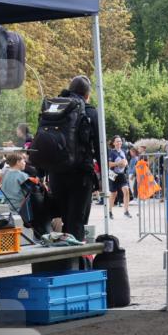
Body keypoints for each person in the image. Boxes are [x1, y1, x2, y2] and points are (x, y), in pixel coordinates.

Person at [47, 75, 102, 242]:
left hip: (56, 174)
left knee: (64, 218)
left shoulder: (54, 108)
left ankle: (64, 260)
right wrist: (102, 176)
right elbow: (99, 146)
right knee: (77, 221)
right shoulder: (90, 111)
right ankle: (75, 262)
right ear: (87, 94)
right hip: (80, 175)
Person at [107, 135, 132, 219]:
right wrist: (118, 163)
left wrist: (125, 163)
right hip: (113, 174)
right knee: (114, 193)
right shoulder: (111, 152)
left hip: (121, 175)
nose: (119, 143)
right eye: (117, 141)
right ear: (113, 143)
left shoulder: (123, 152)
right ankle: (109, 211)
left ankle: (126, 211)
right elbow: (109, 164)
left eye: (120, 141)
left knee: (126, 190)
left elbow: (126, 162)